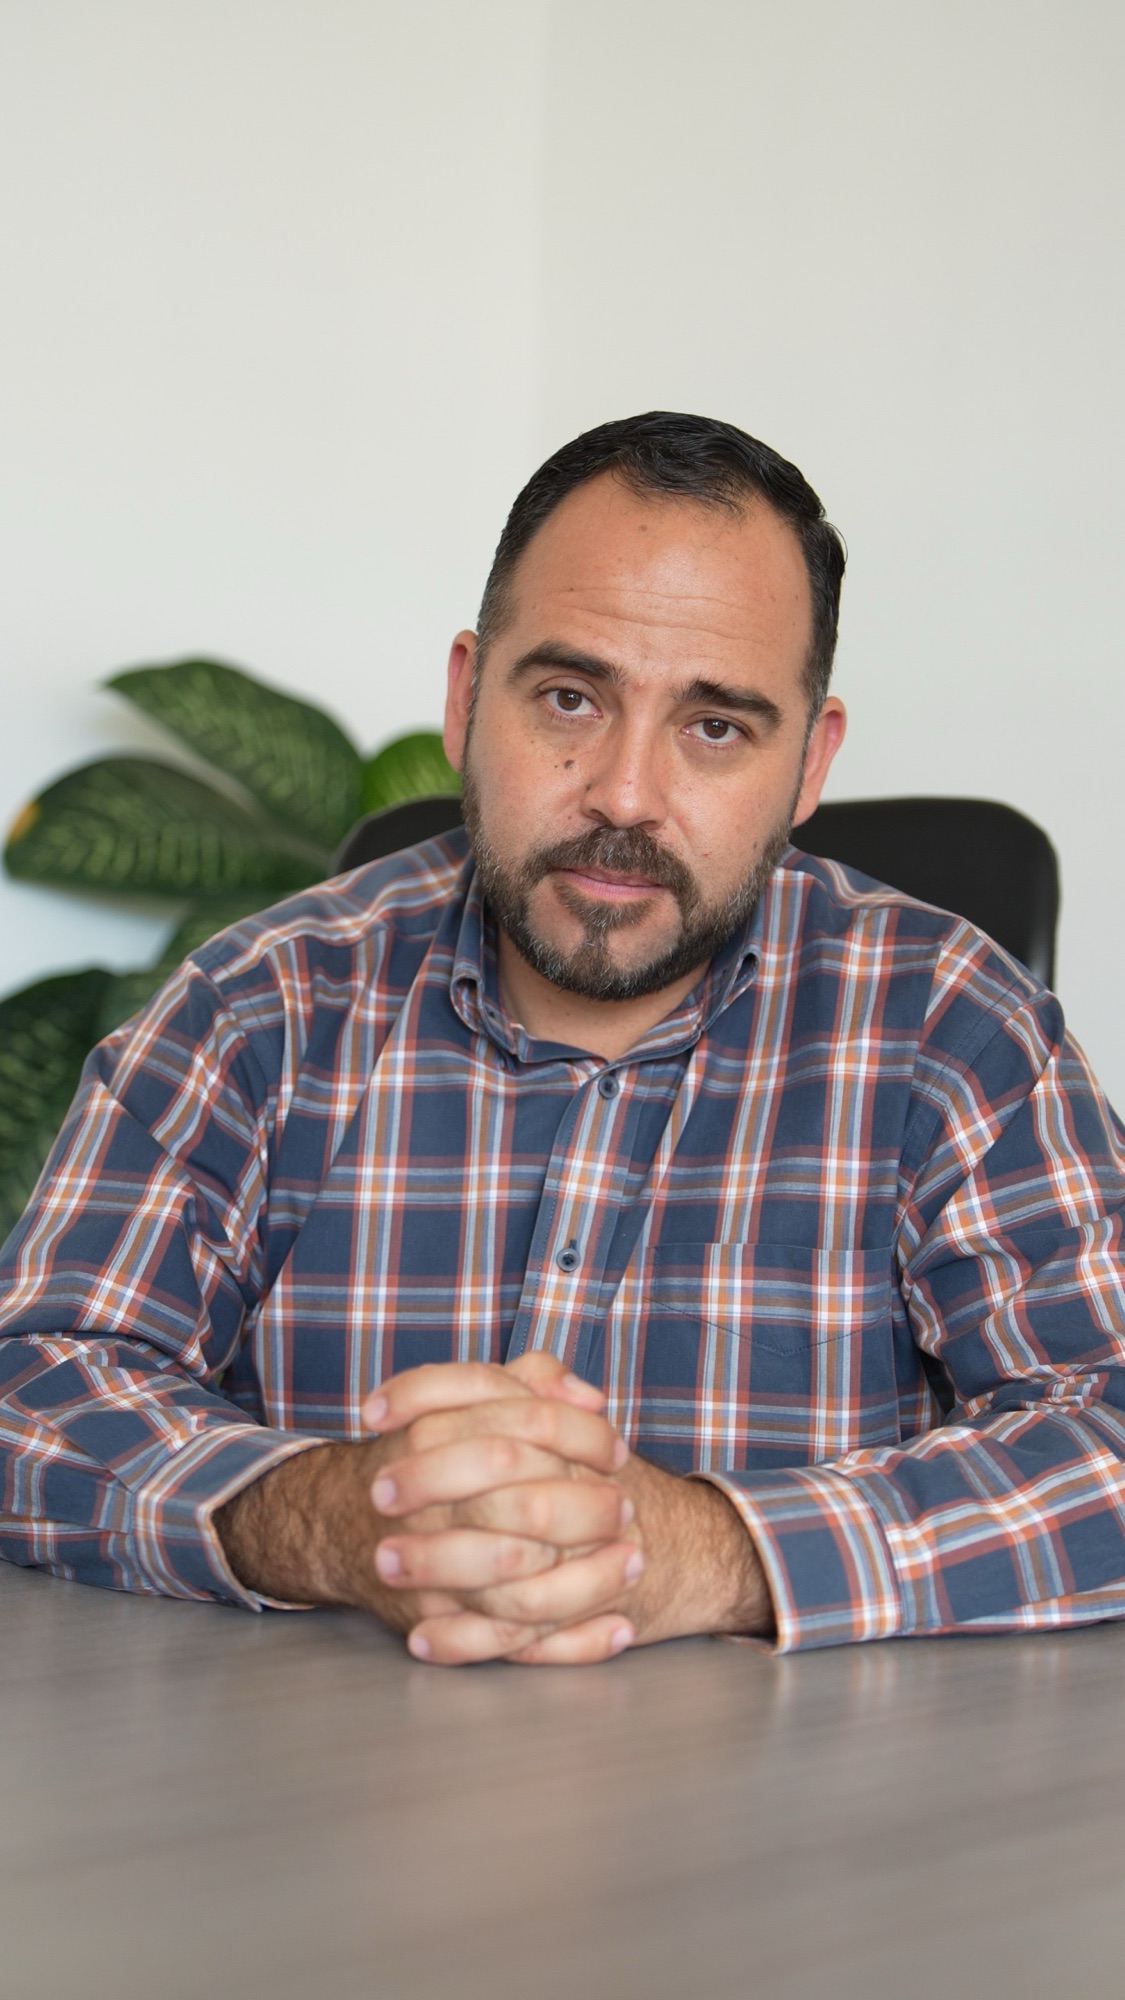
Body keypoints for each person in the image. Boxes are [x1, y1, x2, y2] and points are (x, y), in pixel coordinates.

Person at [3, 412, 1125, 1666]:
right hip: (318, 1767)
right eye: (570, 697)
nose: (624, 794)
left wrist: (708, 1548)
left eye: (715, 725)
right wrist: (330, 1518)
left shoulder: (951, 1027)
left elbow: (1110, 1427)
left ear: (810, 764)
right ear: (464, 697)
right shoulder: (258, 1002)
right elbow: (32, 1383)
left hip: (800, 1781)